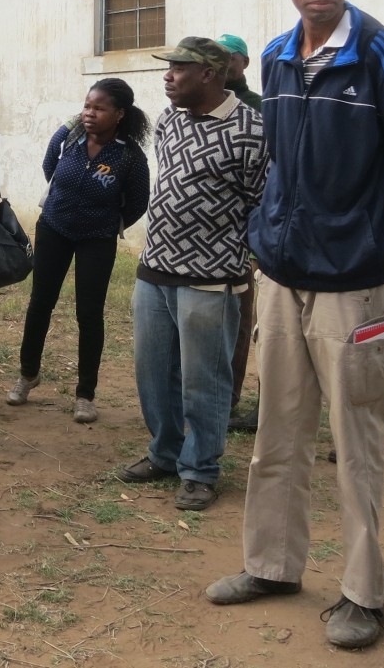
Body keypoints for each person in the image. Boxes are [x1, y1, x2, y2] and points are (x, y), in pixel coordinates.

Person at [206, 0, 384, 650]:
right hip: (282, 273)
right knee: (276, 431)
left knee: (356, 437)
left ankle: (363, 594)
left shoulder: (381, 54)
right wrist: (275, 224)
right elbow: (280, 159)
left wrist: (356, 226)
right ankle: (272, 565)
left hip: (354, 283)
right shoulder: (276, 57)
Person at [119, 37, 268, 511]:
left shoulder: (251, 128)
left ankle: (200, 469)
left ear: (209, 73)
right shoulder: (170, 119)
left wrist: (238, 255)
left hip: (212, 276)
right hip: (155, 269)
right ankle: (164, 452)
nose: (168, 75)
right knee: (152, 371)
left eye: (178, 68)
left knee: (205, 378)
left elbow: (262, 202)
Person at [7, 78, 150, 423]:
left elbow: (138, 202)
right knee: (40, 302)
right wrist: (62, 202)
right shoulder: (67, 139)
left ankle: (85, 394)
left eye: (99, 108)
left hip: (96, 239)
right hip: (53, 228)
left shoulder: (129, 155)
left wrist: (105, 223)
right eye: (87, 106)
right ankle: (28, 374)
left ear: (118, 114)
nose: (89, 113)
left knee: (89, 313)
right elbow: (48, 170)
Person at [216, 33, 264, 432]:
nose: (222, 63)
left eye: (229, 57)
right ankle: (215, 397)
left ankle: (234, 397)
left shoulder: (259, 108)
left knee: (249, 321)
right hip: (207, 241)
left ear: (244, 63)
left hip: (249, 237)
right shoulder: (197, 108)